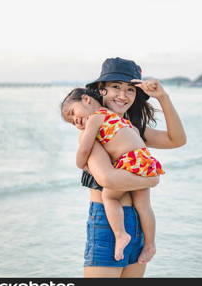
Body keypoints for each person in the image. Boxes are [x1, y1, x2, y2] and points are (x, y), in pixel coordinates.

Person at [62, 57, 186, 277]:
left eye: (130, 89)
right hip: (109, 226)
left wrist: (163, 98)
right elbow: (108, 180)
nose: (123, 95)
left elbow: (177, 140)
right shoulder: (94, 133)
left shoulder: (131, 128)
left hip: (136, 223)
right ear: (101, 91)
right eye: (116, 87)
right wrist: (151, 180)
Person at [61, 84, 164, 263]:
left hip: (130, 162)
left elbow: (85, 148)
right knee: (144, 206)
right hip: (145, 161)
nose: (75, 121)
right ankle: (150, 245)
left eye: (72, 113)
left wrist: (80, 164)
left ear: (86, 99)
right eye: (71, 122)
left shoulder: (95, 117)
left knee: (109, 197)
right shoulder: (118, 119)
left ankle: (120, 234)